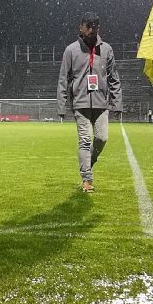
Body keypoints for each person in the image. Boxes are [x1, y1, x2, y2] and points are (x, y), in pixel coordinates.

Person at [56, 11, 123, 194]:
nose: (92, 30)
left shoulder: (106, 50)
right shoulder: (71, 50)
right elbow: (63, 79)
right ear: (81, 27)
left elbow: (114, 79)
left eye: (95, 27)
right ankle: (87, 179)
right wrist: (62, 105)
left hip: (101, 104)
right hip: (81, 103)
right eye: (89, 26)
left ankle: (88, 162)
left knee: (102, 138)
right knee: (85, 141)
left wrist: (117, 103)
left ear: (98, 28)